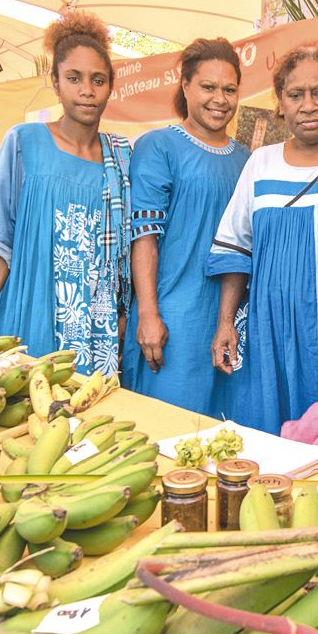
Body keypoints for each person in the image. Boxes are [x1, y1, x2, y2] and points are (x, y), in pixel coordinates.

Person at [207, 46, 318, 435]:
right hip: (269, 331)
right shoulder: (261, 163)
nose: (308, 105)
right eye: (295, 95)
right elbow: (236, 249)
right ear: (281, 104)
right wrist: (226, 323)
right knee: (271, 436)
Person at [0, 13, 132, 374]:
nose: (86, 90)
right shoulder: (25, 142)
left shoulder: (122, 156)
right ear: (55, 82)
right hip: (34, 307)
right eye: (74, 78)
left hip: (97, 327)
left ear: (110, 86)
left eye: (97, 80)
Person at [123, 39, 249, 416]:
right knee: (168, 431)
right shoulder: (158, 146)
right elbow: (144, 237)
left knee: (225, 438)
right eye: (208, 87)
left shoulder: (248, 160)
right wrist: (148, 314)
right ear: (186, 86)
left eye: (229, 89)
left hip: (234, 318)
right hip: (174, 318)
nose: (220, 99)